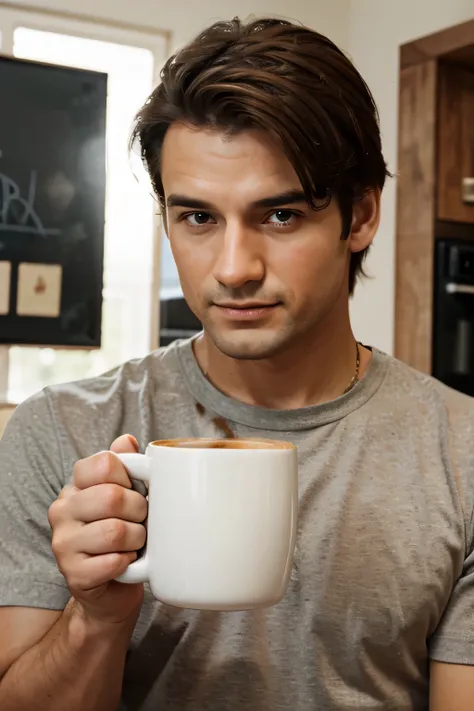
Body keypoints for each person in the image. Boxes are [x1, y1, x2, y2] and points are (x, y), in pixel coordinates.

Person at [0, 16, 473, 711]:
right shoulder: (63, 432)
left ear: (362, 214)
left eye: (280, 215)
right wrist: (96, 617)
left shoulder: (460, 451)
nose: (232, 269)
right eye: (197, 218)